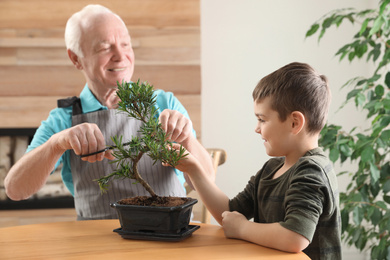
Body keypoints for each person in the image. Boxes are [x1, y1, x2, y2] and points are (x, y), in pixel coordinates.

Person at [4, 4, 214, 220]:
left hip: (170, 236)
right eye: (105, 48)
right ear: (76, 58)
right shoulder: (65, 118)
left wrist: (187, 140)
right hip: (99, 244)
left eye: (125, 45)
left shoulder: (163, 103)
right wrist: (56, 144)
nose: (120, 56)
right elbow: (15, 189)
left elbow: (208, 181)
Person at [170, 62, 342, 259]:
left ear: (295, 123)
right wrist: (193, 169)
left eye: (262, 119)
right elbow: (229, 213)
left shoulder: (311, 171)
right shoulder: (272, 168)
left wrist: (243, 228)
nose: (257, 128)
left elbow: (295, 237)